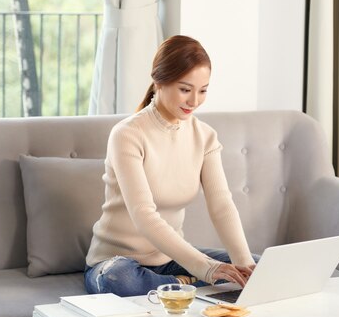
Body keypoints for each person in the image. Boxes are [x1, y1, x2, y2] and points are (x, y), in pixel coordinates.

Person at [84, 35, 258, 297]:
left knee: (260, 268)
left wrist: (244, 266)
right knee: (118, 280)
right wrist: (206, 269)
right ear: (159, 81)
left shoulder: (206, 136)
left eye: (203, 90)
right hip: (116, 262)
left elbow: (222, 205)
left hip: (170, 260)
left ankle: (175, 286)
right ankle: (193, 285)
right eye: (185, 89)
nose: (194, 101)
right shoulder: (127, 134)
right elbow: (143, 213)